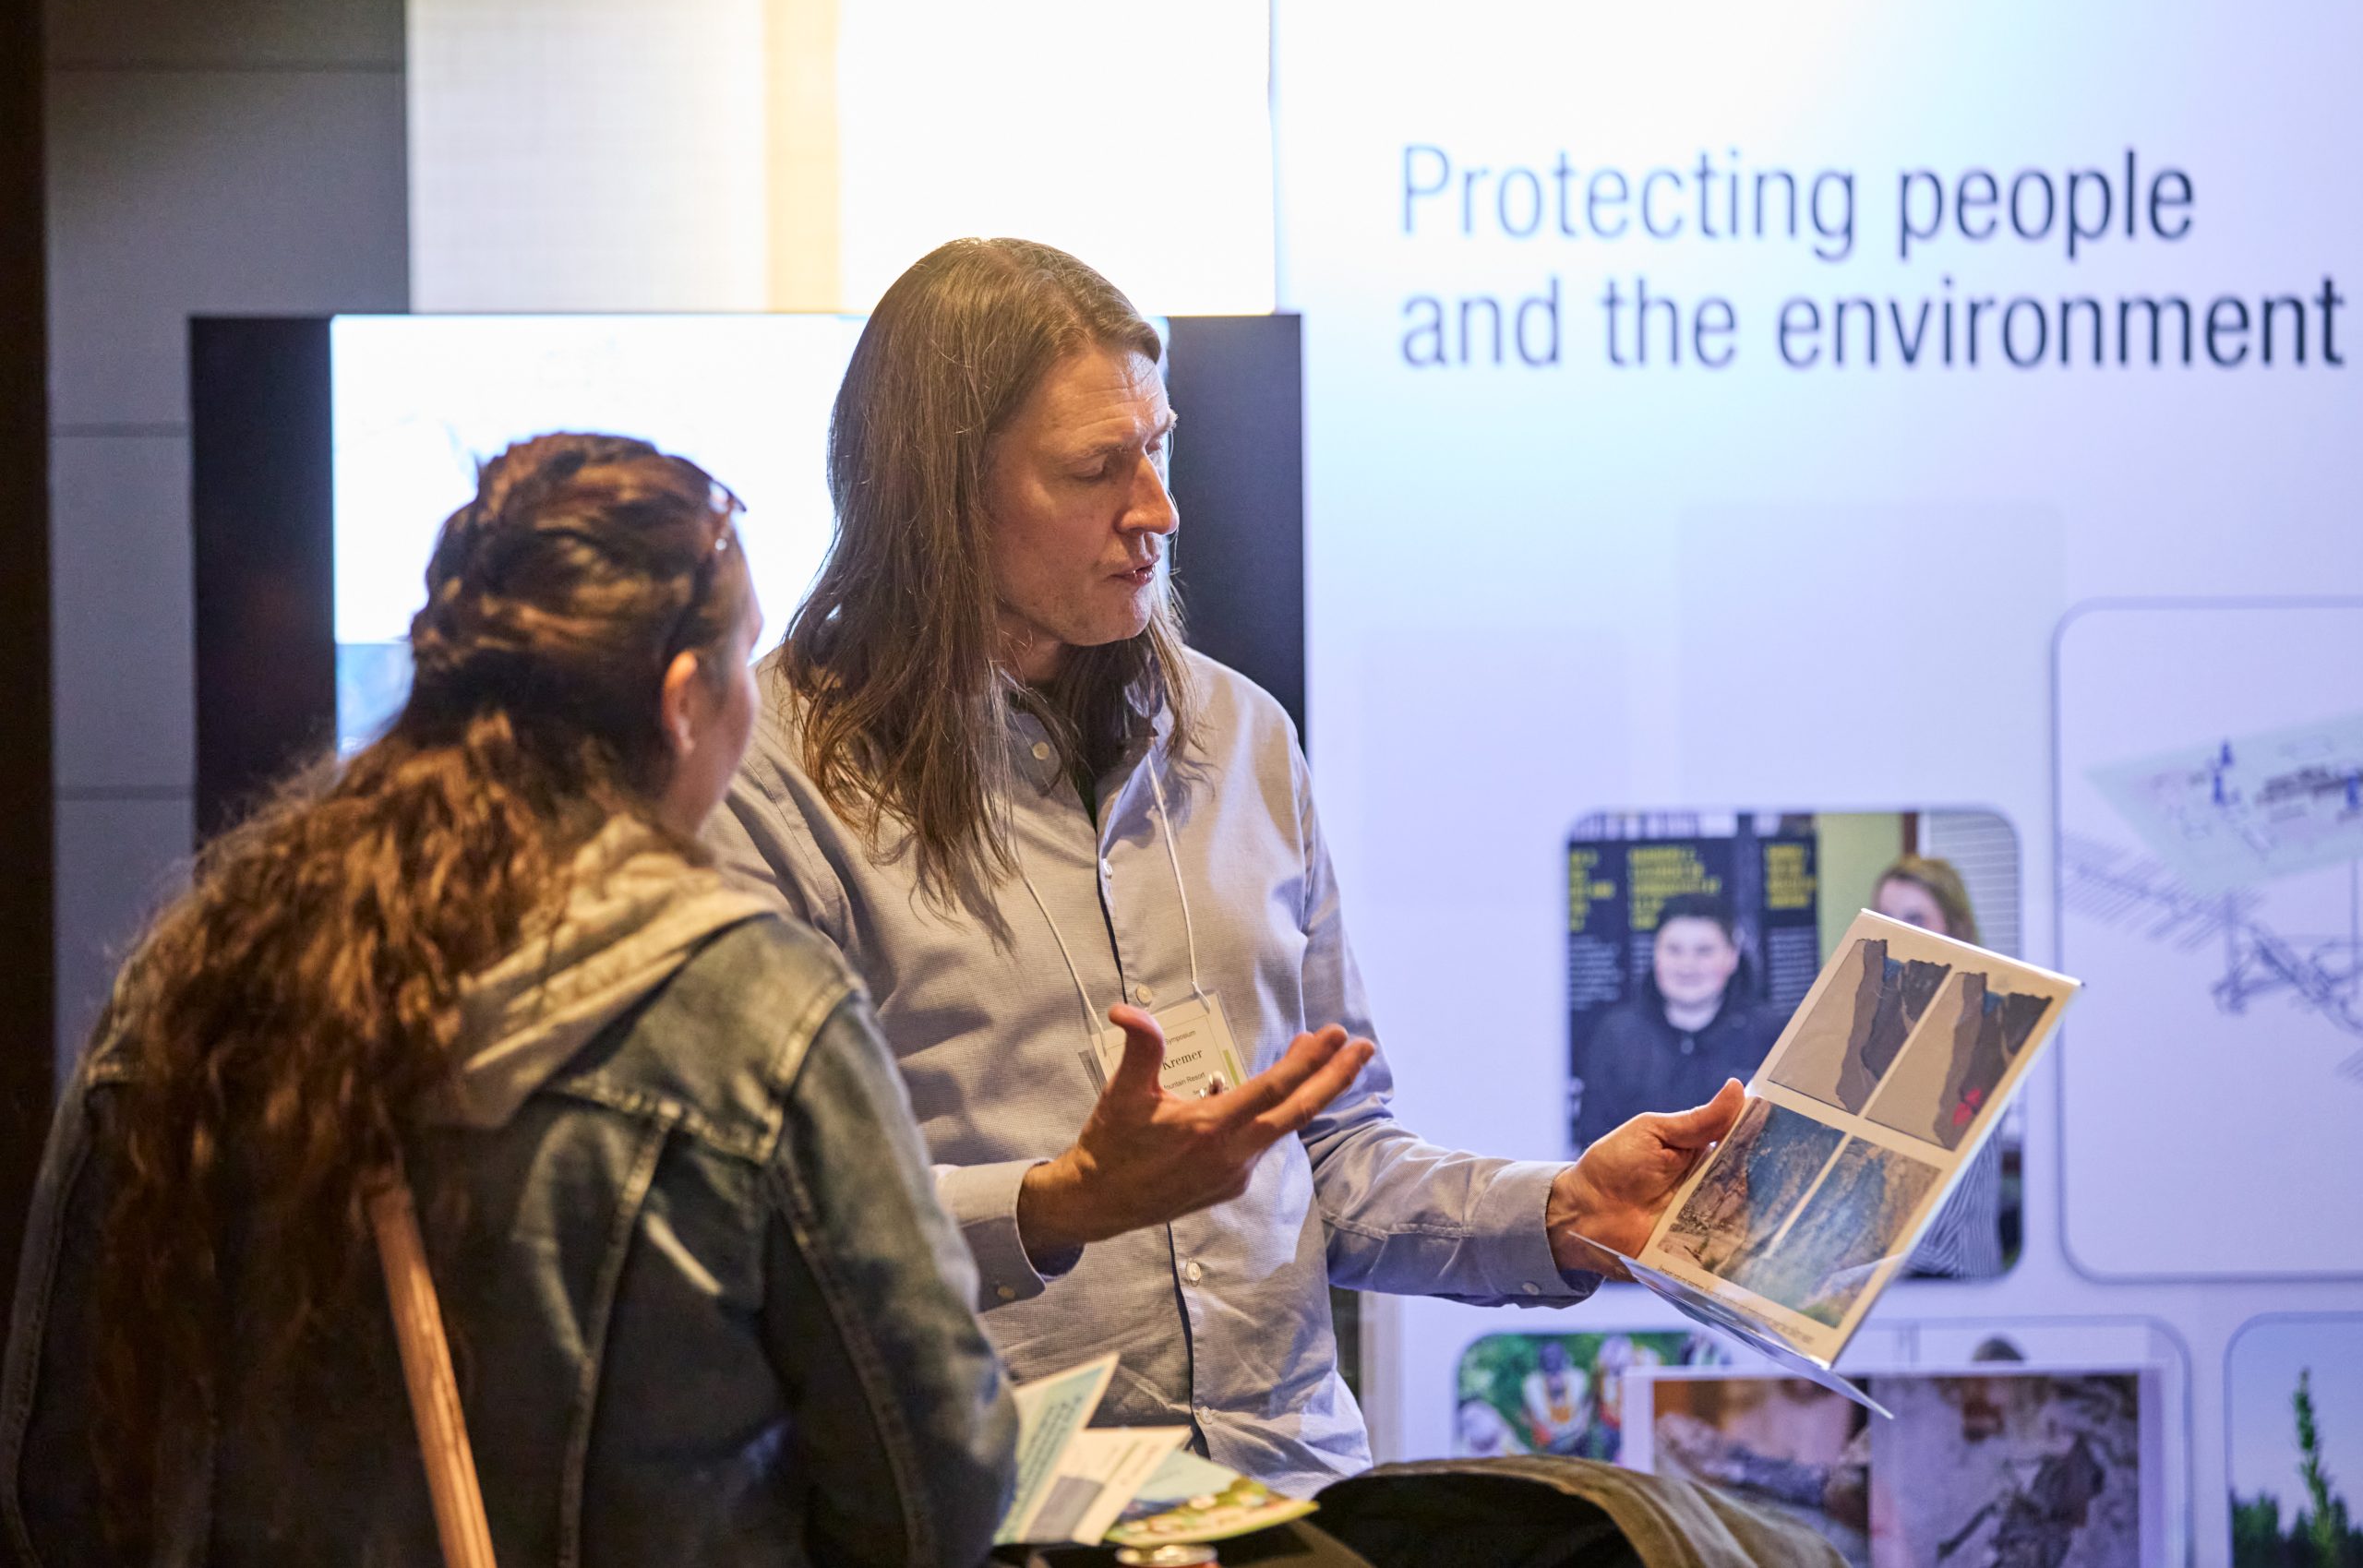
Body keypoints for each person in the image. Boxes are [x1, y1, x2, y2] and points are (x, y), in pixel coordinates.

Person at [707, 236, 1744, 1498]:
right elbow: (765, 1230)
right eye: (1097, 468)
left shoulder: (1239, 735)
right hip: (1002, 1509)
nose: (1157, 508)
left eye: (1159, 447)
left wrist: (1566, 1211)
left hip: (1288, 1491)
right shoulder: (771, 778)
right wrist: (1056, 1203)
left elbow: (1332, 1162)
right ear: (939, 492)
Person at [3, 435, 1014, 1565]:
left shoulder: (197, 973)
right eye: (745, 663)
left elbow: (62, 1479)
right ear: (683, 701)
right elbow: (931, 1494)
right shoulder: (755, 1019)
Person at [1872, 855, 2008, 1279]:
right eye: (1886, 918)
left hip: (1949, 1280)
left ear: (1955, 929)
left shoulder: (1983, 1027)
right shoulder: (1880, 1021)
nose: (1899, 932)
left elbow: (1947, 1204)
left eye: (1916, 918)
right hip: (1881, 1280)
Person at [1574, 894, 1784, 1144]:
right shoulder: (1616, 1036)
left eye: (1704, 951)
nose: (1687, 966)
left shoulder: (1772, 1035)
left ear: (1732, 957)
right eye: (1674, 950)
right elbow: (1594, 1141)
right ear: (1655, 955)